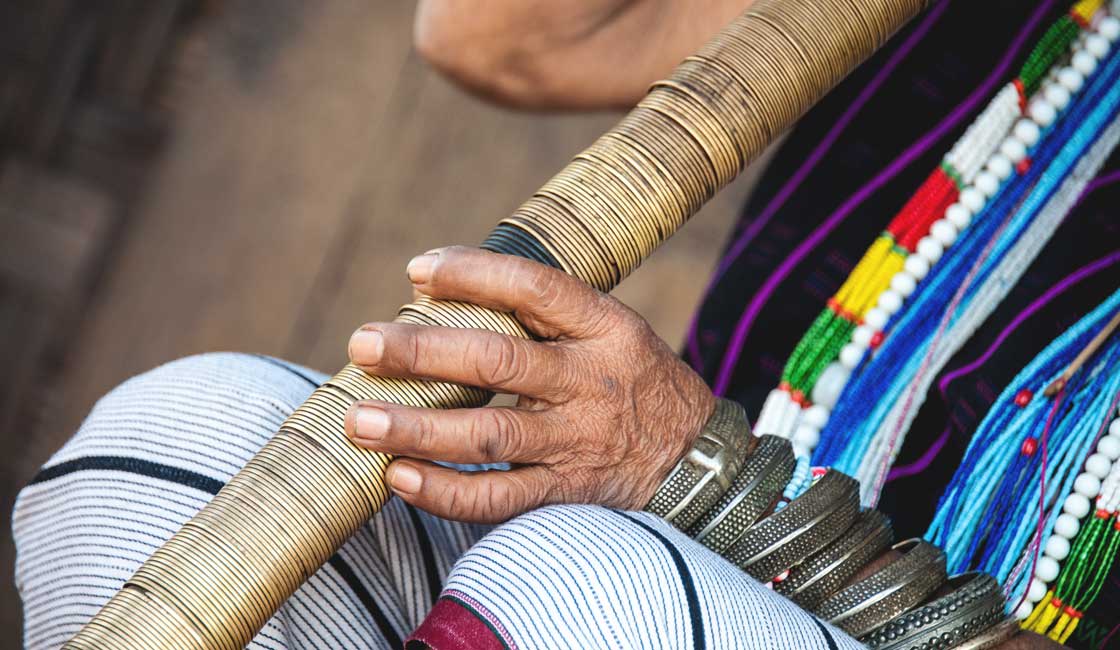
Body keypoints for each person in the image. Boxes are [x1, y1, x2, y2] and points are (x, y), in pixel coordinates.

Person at [13, 1, 1118, 648]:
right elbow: (495, 33)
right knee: (188, 433)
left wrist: (696, 476)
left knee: (590, 583)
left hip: (645, 561)